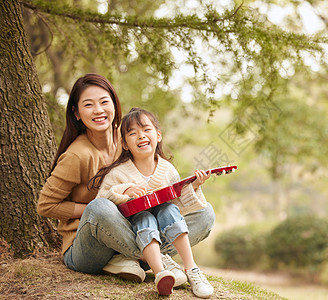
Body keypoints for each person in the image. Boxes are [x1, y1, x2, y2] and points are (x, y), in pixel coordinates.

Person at [37, 74, 215, 286]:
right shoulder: (78, 155)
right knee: (100, 207)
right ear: (76, 113)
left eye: (104, 102)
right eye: (88, 105)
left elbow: (153, 184)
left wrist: (189, 188)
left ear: (114, 104)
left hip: (134, 228)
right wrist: (110, 209)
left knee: (204, 214)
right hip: (89, 246)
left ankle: (133, 259)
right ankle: (159, 262)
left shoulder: (128, 138)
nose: (99, 110)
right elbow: (45, 206)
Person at [90, 107, 214, 297]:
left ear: (158, 135)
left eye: (146, 130)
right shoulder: (118, 173)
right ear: (124, 144)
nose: (141, 136)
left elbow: (178, 207)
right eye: (133, 133)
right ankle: (160, 271)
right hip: (131, 231)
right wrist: (126, 191)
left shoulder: (168, 170)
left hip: (160, 231)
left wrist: (194, 186)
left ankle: (192, 269)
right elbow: (100, 208)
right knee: (144, 216)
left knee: (169, 210)